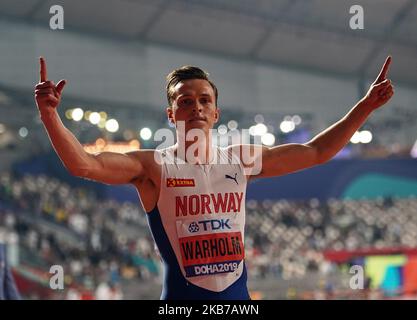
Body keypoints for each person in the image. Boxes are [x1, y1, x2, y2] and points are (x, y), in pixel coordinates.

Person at [34, 56, 394, 299]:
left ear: (216, 112)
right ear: (171, 112)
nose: (196, 107)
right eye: (185, 101)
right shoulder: (151, 167)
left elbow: (317, 152)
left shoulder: (241, 160)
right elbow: (84, 165)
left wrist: (364, 107)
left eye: (204, 100)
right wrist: (50, 115)